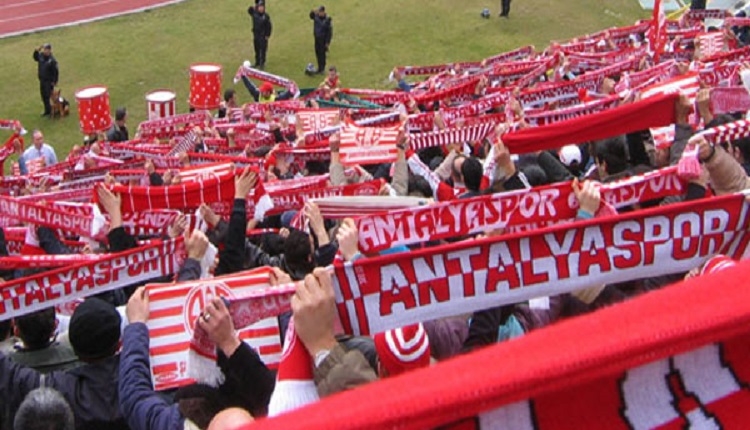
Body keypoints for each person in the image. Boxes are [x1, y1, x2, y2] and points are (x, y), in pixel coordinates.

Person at [32, 43, 58, 117]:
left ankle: (54, 111)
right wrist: (36, 51)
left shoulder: (52, 60)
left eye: (47, 50)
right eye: (44, 49)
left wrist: (55, 81)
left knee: (50, 96)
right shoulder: (41, 56)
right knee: (43, 96)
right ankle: (47, 110)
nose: (45, 51)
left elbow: (55, 71)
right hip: (42, 80)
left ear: (50, 50)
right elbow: (35, 58)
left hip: (49, 81)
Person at [247, 1, 272, 70]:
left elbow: (269, 26)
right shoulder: (254, 13)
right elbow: (249, 10)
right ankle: (257, 62)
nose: (261, 9)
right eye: (260, 7)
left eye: (262, 7)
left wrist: (267, 35)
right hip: (256, 35)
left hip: (263, 36)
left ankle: (262, 64)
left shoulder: (266, 16)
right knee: (257, 49)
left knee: (263, 50)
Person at [309, 6, 333, 74]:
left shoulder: (327, 20)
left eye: (320, 12)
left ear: (323, 12)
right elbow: (311, 16)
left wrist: (327, 42)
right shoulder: (316, 16)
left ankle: (322, 69)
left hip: (323, 40)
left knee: (322, 54)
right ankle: (319, 68)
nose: (319, 13)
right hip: (317, 38)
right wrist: (313, 11)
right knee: (317, 52)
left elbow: (329, 32)